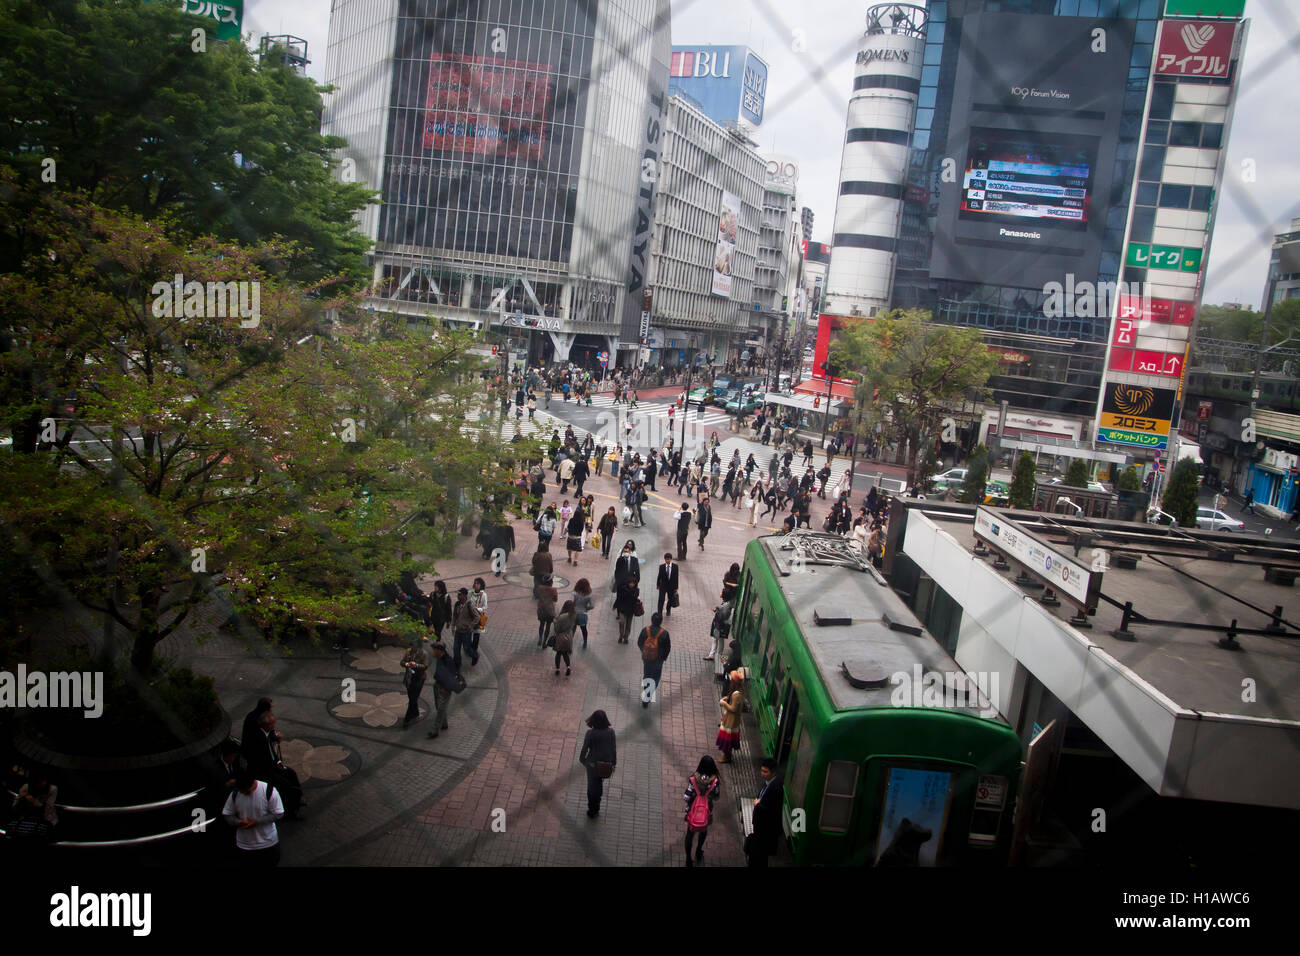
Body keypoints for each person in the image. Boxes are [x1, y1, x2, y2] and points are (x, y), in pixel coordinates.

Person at [243, 710, 305, 820]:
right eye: (271, 724)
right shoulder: (258, 738)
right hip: (265, 770)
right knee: (285, 784)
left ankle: (298, 797)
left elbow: (272, 745)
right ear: (265, 725)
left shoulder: (267, 733)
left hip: (273, 764)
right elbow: (261, 760)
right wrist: (275, 765)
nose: (273, 726)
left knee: (292, 773)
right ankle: (290, 810)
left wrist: (277, 761)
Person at [223, 771, 284, 866]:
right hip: (244, 845)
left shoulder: (268, 790)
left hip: (268, 843)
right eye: (242, 792)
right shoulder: (235, 794)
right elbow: (227, 814)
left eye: (247, 791)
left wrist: (257, 822)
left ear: (253, 783)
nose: (245, 794)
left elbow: (278, 813)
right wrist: (238, 822)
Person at [683, 756, 721, 866]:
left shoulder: (694, 779)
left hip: (692, 811)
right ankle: (699, 851)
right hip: (706, 812)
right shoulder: (715, 781)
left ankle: (688, 858)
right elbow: (716, 797)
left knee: (690, 834)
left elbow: (686, 796)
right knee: (703, 831)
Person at [579, 710, 617, 818]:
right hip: (605, 764)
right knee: (599, 783)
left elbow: (583, 752)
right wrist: (613, 763)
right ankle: (597, 805)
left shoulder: (590, 734)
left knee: (591, 786)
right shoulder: (611, 732)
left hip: (592, 765)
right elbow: (613, 749)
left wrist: (585, 762)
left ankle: (592, 809)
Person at [747, 757, 784, 867]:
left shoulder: (776, 788)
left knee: (759, 856)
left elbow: (772, 811)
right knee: (759, 855)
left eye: (765, 771)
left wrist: (758, 805)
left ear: (773, 772)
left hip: (766, 829)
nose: (762, 774)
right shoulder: (769, 783)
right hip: (761, 827)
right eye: (762, 770)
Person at [636, 610, 671, 708]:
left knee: (647, 675)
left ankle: (646, 693)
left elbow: (639, 642)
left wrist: (644, 651)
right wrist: (663, 657)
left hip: (647, 658)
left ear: (651, 620)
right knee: (655, 677)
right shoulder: (664, 634)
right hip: (658, 659)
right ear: (661, 621)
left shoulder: (645, 630)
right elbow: (668, 648)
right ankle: (648, 695)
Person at [426, 641, 458, 738]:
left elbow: (453, 676)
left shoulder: (449, 662)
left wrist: (446, 688)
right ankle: (444, 724)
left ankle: (435, 731)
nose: (433, 652)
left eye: (434, 650)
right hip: (437, 685)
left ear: (440, 651)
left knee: (441, 708)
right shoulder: (439, 658)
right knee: (438, 706)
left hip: (445, 688)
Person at [400, 634, 431, 728]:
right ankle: (415, 712)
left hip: (419, 678)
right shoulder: (408, 652)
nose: (412, 647)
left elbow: (425, 666)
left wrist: (416, 665)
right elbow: (402, 662)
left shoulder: (423, 654)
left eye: (413, 646)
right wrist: (407, 664)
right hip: (409, 677)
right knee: (411, 697)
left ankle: (407, 718)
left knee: (413, 698)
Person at [452, 587, 480, 669]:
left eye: (460, 595)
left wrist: (470, 625)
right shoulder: (457, 604)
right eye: (458, 594)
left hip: (466, 632)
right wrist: (453, 626)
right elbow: (454, 616)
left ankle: (475, 655)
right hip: (458, 631)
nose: (458, 596)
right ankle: (457, 664)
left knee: (467, 648)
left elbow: (477, 617)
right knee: (456, 648)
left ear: (464, 596)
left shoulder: (469, 605)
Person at [717, 676, 743, 763]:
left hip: (730, 722)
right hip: (731, 720)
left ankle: (726, 756)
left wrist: (724, 703)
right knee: (728, 740)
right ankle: (727, 755)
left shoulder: (736, 695)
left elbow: (733, 708)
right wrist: (727, 699)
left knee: (727, 740)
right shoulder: (738, 692)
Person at [614, 571, 641, 644]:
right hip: (622, 609)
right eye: (630, 583)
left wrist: (636, 598)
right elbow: (620, 597)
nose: (631, 584)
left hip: (631, 610)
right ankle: (621, 635)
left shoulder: (636, 590)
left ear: (635, 584)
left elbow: (635, 598)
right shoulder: (623, 589)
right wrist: (615, 606)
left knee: (628, 625)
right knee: (621, 622)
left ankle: (626, 638)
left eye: (633, 583)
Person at [552, 600, 577, 676]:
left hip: (561, 637)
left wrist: (555, 622)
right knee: (565, 653)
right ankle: (568, 667)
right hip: (569, 637)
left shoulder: (562, 617)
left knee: (558, 653)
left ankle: (557, 669)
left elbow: (557, 629)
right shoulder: (574, 615)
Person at [706, 598, 732, 663]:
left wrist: (716, 611)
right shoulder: (727, 604)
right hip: (720, 625)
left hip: (720, 625)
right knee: (719, 639)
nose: (720, 595)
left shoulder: (727, 605)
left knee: (717, 639)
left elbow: (722, 616)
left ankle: (715, 655)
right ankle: (715, 655)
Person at [536, 574, 559, 647]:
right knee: (548, 626)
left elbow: (537, 596)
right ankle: (544, 642)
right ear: (551, 582)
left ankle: (540, 638)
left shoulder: (540, 588)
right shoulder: (553, 590)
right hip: (549, 611)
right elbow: (555, 600)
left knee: (541, 624)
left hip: (541, 609)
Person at [656, 552, 679, 617]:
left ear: (671, 559)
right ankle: (659, 612)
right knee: (661, 599)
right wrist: (657, 584)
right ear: (665, 559)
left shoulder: (675, 567)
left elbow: (676, 577)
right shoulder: (662, 567)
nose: (667, 560)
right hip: (663, 586)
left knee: (670, 599)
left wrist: (676, 587)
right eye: (666, 559)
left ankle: (668, 610)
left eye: (668, 559)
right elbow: (659, 576)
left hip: (671, 587)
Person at [572, 578, 594, 648]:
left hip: (574, 613)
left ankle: (570, 642)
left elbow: (571, 602)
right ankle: (585, 642)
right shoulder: (588, 596)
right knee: (584, 629)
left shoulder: (574, 593)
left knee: (572, 628)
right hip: (583, 614)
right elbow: (592, 606)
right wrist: (586, 608)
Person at [469, 577, 487, 658]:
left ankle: (474, 650)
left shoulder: (484, 595)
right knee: (468, 633)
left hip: (479, 617)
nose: (476, 585)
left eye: (478, 584)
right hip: (470, 616)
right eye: (475, 583)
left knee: (476, 635)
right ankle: (468, 648)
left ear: (481, 585)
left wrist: (476, 609)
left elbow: (485, 607)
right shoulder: (470, 592)